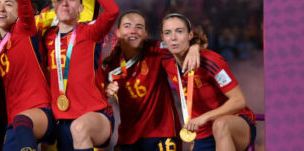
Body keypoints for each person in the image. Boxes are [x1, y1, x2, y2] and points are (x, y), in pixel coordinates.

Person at [43, 0, 118, 151]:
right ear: (54, 7)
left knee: (80, 128)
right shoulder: (47, 37)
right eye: (59, 0)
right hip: (61, 120)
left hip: (95, 114)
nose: (65, 3)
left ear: (81, 8)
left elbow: (112, 11)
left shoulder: (90, 32)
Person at [100, 10, 200, 151]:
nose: (133, 30)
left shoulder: (156, 50)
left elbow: (182, 41)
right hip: (129, 137)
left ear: (146, 34)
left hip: (162, 133)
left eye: (139, 27)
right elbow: (96, 94)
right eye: (127, 26)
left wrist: (194, 47)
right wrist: (106, 89)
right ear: (118, 32)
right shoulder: (110, 64)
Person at [0, 0, 55, 149]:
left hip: (39, 113)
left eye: (9, 4)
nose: (1, 8)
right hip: (13, 123)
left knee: (22, 121)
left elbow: (25, 0)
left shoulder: (24, 30)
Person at [160, 13, 256, 151]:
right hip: (202, 132)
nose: (173, 37)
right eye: (168, 33)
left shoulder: (211, 61)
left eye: (179, 31)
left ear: (190, 35)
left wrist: (204, 117)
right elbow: (137, 43)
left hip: (235, 123)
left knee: (220, 125)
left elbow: (239, 101)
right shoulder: (165, 59)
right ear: (163, 38)